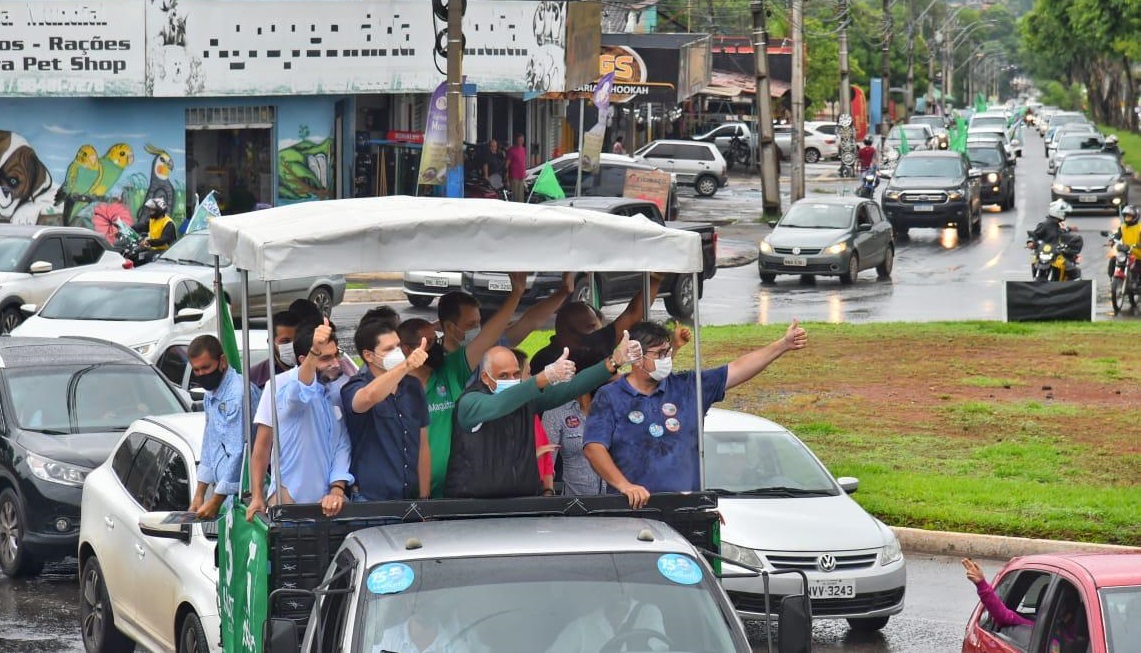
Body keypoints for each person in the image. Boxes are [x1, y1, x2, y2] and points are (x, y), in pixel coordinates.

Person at [584, 319, 807, 508]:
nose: (667, 359)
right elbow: (594, 447)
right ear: (637, 357)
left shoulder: (688, 387)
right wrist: (625, 486)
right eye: (660, 354)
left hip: (686, 509)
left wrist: (782, 345)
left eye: (668, 352)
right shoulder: (610, 396)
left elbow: (737, 369)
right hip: (633, 510)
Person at [446, 336, 640, 499]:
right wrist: (543, 378)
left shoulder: (525, 397)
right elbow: (498, 405)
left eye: (515, 374)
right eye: (503, 376)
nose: (511, 380)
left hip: (522, 503)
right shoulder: (470, 402)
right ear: (486, 378)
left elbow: (574, 386)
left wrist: (613, 362)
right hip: (473, 507)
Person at [246, 319, 354, 520]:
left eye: (336, 355)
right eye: (326, 358)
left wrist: (337, 489)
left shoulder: (336, 388)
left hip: (329, 506)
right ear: (305, 359)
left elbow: (341, 445)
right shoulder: (279, 385)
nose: (335, 363)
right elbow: (261, 447)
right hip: (288, 503)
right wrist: (257, 496)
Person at [341, 320, 431, 501]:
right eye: (389, 349)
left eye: (398, 346)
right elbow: (368, 397)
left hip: (410, 499)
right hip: (370, 499)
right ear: (368, 355)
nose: (397, 352)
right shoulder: (354, 387)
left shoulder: (412, 387)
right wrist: (405, 366)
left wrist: (424, 496)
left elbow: (422, 445)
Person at [529, 273, 666, 377]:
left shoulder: (597, 342)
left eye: (598, 326)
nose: (598, 330)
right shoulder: (544, 361)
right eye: (591, 327)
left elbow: (633, 313)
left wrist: (656, 277)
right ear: (566, 333)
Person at [186, 335, 262, 519]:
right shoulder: (211, 394)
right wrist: (199, 494)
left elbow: (238, 452)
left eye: (206, 367)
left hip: (246, 496)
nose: (202, 374)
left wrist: (215, 500)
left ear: (222, 361)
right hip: (226, 496)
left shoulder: (237, 395)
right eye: (196, 370)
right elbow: (210, 443)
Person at [961, 559, 1088, 651]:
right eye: (1062, 609)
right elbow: (1002, 614)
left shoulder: (1087, 636)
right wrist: (981, 584)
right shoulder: (1030, 626)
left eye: (1068, 610)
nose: (1063, 616)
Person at [546, 595, 667, 653]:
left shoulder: (648, 613)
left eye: (624, 582)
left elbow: (660, 650)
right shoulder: (582, 626)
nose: (621, 588)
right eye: (616, 582)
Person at [513, 349, 558, 494]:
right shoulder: (497, 416)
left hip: (537, 492)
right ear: (515, 377)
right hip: (513, 495)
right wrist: (533, 455)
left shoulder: (530, 412)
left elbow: (547, 454)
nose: (532, 377)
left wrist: (548, 490)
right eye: (528, 373)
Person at [249, 311, 301, 390]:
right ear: (270, 342)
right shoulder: (255, 376)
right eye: (285, 341)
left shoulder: (314, 371)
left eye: (297, 340)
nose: (293, 346)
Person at [1107, 204, 1141, 277]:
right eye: (1125, 216)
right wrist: (1113, 240)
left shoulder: (1140, 228)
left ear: (1135, 217)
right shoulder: (1123, 227)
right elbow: (1117, 235)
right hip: (1126, 252)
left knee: (1137, 271)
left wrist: (1138, 245)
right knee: (1113, 259)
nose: (1126, 218)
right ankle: (1111, 279)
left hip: (1138, 255)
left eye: (1129, 216)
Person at [506, 133, 529, 203]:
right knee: (515, 197)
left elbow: (523, 162)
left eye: (522, 140)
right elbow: (507, 165)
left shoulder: (524, 150)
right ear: (516, 140)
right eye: (519, 140)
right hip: (514, 177)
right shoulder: (511, 150)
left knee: (521, 197)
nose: (521, 141)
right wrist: (507, 178)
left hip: (521, 177)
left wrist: (524, 172)